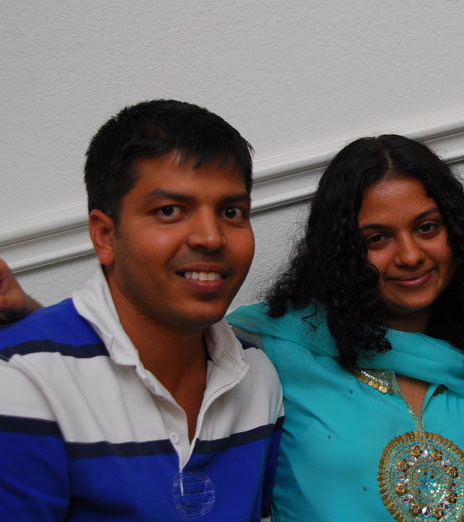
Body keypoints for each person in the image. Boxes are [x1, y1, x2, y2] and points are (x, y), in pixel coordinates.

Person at [0, 100, 283, 521]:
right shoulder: (23, 380)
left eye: (231, 212)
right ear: (105, 235)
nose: (211, 237)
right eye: (170, 211)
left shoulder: (256, 376)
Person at [226, 134, 464, 521]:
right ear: (342, 251)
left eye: (427, 228)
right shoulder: (272, 349)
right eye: (377, 238)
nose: (410, 255)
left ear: (455, 233)